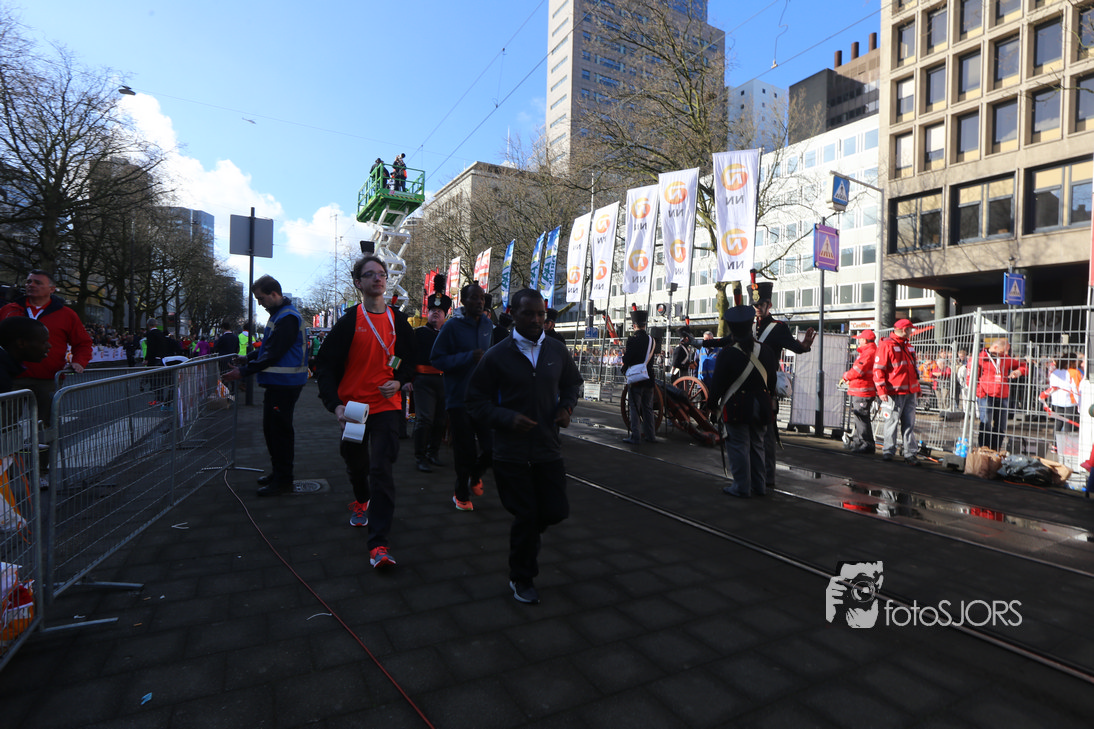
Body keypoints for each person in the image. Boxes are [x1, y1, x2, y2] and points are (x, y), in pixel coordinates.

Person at [465, 288, 583, 604]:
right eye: (528, 313)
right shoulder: (496, 355)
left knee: (556, 511)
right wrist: (506, 418)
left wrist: (566, 407)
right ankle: (522, 577)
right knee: (527, 515)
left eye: (540, 314)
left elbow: (572, 383)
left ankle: (527, 538)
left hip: (547, 448)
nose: (535, 320)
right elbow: (474, 401)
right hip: (510, 453)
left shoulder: (557, 351)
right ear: (513, 314)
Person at [316, 255, 416, 568]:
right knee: (356, 462)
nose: (378, 278)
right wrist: (335, 405)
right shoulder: (349, 322)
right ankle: (361, 500)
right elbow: (325, 366)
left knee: (382, 469)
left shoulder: (398, 321)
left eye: (381, 273)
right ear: (358, 283)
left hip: (387, 406)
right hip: (355, 409)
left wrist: (398, 380)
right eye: (370, 274)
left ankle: (379, 545)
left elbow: (408, 358)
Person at [222, 276, 308, 496]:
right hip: (280, 383)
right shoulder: (281, 315)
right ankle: (278, 473)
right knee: (272, 430)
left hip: (285, 384)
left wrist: (243, 371)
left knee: (279, 432)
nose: (260, 303)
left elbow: (274, 352)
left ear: (274, 294)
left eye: (261, 298)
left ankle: (284, 480)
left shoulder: (287, 318)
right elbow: (268, 348)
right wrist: (247, 358)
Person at [431, 282, 496, 511]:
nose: (479, 302)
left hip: (484, 399)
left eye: (482, 298)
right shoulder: (452, 327)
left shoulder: (487, 325)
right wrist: (468, 357)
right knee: (465, 450)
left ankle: (475, 475)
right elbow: (436, 359)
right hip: (459, 398)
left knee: (492, 448)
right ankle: (460, 493)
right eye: (474, 298)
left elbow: (490, 357)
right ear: (463, 302)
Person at [0, 269, 94, 427]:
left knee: (46, 425)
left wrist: (79, 361)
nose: (31, 285)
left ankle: (44, 444)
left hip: (48, 378)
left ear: (52, 289)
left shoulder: (66, 314)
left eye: (37, 282)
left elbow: (83, 343)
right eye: (29, 281)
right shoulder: (9, 310)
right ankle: (8, 444)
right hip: (11, 377)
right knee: (5, 423)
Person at [705, 305, 777, 498]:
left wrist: (711, 405)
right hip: (762, 405)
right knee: (757, 445)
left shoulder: (727, 353)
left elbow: (717, 384)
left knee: (739, 446)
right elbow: (772, 382)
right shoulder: (767, 351)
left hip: (737, 406)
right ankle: (759, 486)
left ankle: (741, 487)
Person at [750, 280, 815, 487]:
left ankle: (768, 478)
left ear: (769, 305)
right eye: (754, 305)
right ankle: (752, 476)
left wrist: (804, 347)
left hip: (766, 389)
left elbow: (795, 347)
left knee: (768, 436)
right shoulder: (748, 326)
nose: (757, 308)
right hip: (747, 388)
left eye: (760, 304)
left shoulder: (778, 328)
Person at [412, 282, 451, 472]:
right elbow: (406, 357)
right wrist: (406, 380)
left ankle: (432, 453)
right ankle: (420, 456)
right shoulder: (418, 333)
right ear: (427, 313)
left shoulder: (449, 335)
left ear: (445, 315)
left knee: (440, 420)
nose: (436, 313)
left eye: (440, 311)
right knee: (425, 419)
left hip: (444, 382)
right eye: (433, 310)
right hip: (423, 381)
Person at [872, 319, 921, 464]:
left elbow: (914, 370)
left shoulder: (908, 346)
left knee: (908, 424)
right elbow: (878, 370)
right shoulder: (887, 345)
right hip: (894, 392)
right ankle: (890, 451)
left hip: (908, 391)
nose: (912, 332)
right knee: (892, 422)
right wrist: (882, 391)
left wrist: (917, 387)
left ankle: (908, 453)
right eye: (910, 329)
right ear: (904, 330)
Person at [975, 337, 1027, 451]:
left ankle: (996, 449)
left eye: (1007, 351)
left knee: (1001, 425)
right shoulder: (981, 358)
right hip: (986, 395)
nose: (1006, 353)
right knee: (986, 423)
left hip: (1002, 395)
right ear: (995, 347)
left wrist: (1019, 371)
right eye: (1004, 350)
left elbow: (1024, 366)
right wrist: (980, 393)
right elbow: (973, 379)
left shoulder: (1005, 358)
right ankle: (984, 448)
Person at [620, 309, 659, 445]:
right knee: (648, 408)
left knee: (634, 408)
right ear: (644, 325)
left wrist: (624, 363)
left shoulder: (632, 340)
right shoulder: (652, 340)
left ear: (634, 325)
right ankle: (651, 435)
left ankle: (635, 436)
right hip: (649, 378)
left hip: (636, 379)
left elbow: (628, 358)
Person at [840, 329, 877, 454]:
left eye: (860, 339)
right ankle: (858, 442)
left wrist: (846, 376)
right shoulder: (871, 351)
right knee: (860, 417)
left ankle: (866, 443)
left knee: (861, 417)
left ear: (865, 340)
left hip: (862, 390)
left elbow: (857, 371)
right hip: (863, 390)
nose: (859, 341)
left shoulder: (868, 353)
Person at [0, 317, 51, 394]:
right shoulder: (2, 376)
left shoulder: (5, 366)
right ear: (21, 343)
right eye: (44, 342)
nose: (49, 346)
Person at [1043, 355, 1082, 432]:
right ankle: (1066, 439)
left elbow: (1051, 387)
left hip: (1056, 401)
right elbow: (1075, 388)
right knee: (1068, 424)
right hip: (1069, 402)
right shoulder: (1072, 372)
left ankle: (1055, 439)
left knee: (1058, 423)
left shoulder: (1054, 372)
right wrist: (1079, 403)